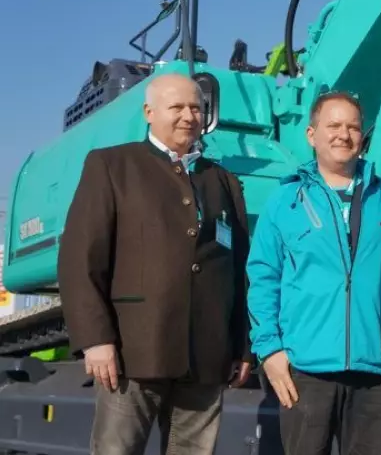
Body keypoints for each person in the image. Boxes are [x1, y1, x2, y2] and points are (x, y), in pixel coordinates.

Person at [58, 73, 253, 455]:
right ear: (149, 112)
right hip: (132, 352)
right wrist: (96, 339)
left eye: (196, 107)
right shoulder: (112, 166)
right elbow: (80, 258)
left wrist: (241, 345)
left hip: (206, 355)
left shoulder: (223, 181)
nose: (188, 116)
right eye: (176, 107)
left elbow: (239, 270)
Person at [247, 91, 381, 455]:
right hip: (305, 368)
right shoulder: (285, 202)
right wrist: (269, 349)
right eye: (333, 125)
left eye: (353, 127)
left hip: (375, 368)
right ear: (311, 134)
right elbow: (263, 277)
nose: (343, 134)